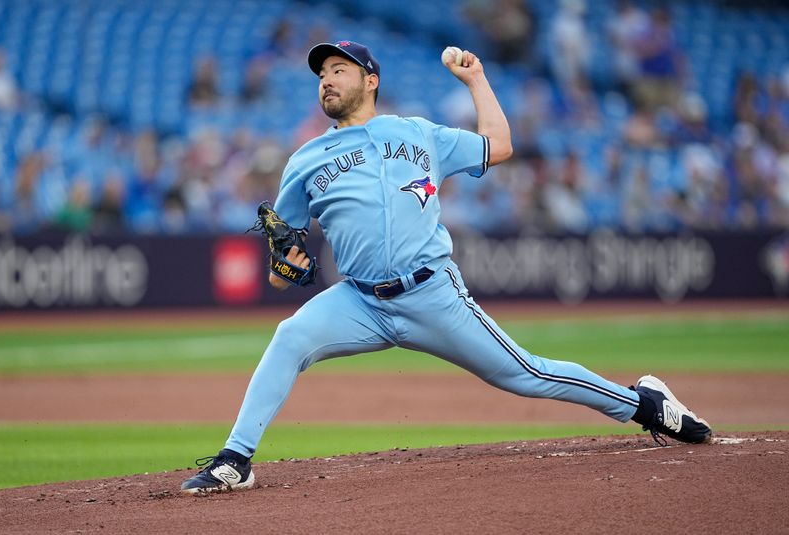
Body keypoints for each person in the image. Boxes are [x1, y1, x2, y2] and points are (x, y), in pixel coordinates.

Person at [181, 41, 712, 495]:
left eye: (337, 70)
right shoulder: (305, 160)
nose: (326, 81)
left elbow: (499, 146)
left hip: (431, 293)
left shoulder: (420, 134)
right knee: (290, 335)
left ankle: (644, 405)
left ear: (371, 80)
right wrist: (286, 269)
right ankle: (236, 459)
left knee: (525, 374)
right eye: (321, 74)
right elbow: (283, 265)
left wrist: (477, 79)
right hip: (359, 300)